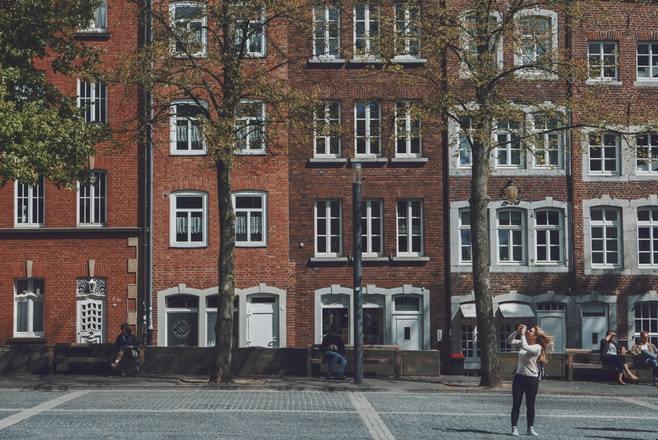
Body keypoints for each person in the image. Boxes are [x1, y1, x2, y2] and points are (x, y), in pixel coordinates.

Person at [506, 324, 553, 437]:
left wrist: (522, 334)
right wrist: (517, 332)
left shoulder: (537, 347)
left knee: (530, 404)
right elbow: (509, 340)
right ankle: (514, 427)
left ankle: (530, 428)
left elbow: (526, 347)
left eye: (531, 331)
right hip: (519, 377)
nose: (528, 332)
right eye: (528, 331)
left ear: (535, 336)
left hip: (532, 378)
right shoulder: (523, 342)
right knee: (516, 403)